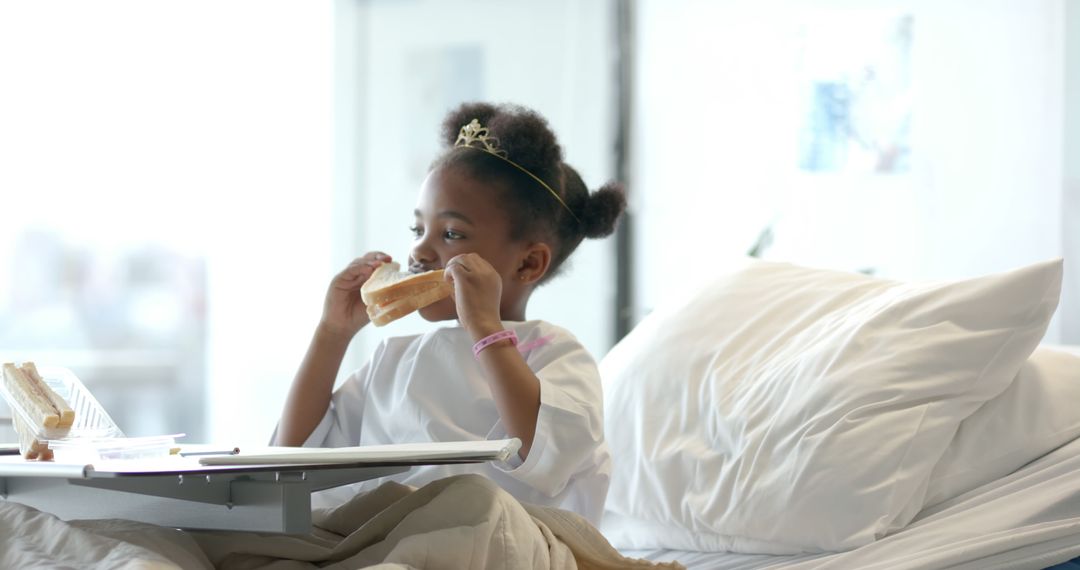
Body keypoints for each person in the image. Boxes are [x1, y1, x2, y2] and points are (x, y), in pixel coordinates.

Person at [274, 102, 626, 524]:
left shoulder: (553, 353)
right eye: (417, 229)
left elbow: (548, 454)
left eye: (451, 233)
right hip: (377, 541)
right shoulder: (395, 360)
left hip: (492, 544)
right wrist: (332, 333)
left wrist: (485, 328)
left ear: (528, 264)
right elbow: (292, 462)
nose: (419, 251)